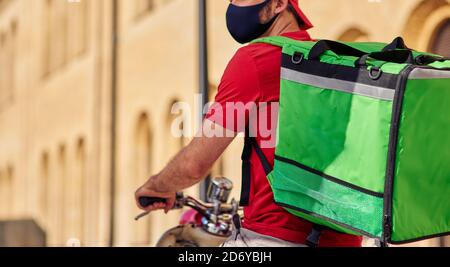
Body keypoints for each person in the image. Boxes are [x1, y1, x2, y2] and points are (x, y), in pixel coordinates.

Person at [135, 0, 363, 247]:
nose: (235, 6)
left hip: (273, 239)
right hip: (344, 240)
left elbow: (194, 165)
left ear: (278, 4)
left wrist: (157, 186)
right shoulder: (337, 65)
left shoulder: (255, 59)